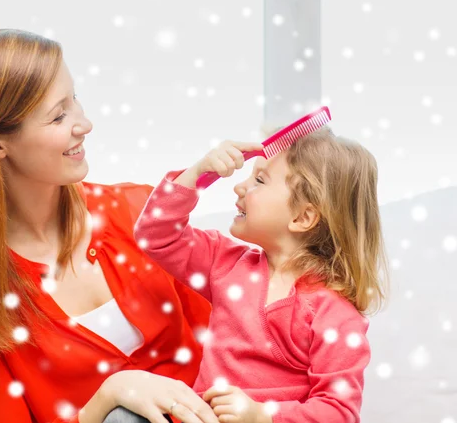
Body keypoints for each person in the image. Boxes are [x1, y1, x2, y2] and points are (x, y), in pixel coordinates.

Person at [0, 28, 218, 423]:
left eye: (74, 99)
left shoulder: (143, 217)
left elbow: (230, 345)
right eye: (58, 115)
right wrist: (108, 397)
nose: (85, 124)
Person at [133, 130, 389, 423]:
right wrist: (198, 174)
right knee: (123, 415)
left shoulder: (335, 315)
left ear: (303, 217)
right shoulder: (225, 263)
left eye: (259, 180)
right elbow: (155, 235)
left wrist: (262, 415)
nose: (239, 187)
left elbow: (339, 412)